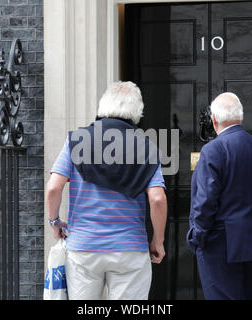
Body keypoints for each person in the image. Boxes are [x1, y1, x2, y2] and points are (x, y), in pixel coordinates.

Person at [45, 81, 167, 300]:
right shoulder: (147, 146)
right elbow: (157, 199)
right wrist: (158, 241)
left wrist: (55, 223)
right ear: (137, 111)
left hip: (84, 248)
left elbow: (54, 187)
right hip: (129, 249)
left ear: (103, 107)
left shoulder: (76, 141)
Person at [187, 92, 252, 300]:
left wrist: (198, 236)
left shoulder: (213, 149)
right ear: (240, 116)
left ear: (214, 120)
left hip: (221, 245)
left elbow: (205, 201)